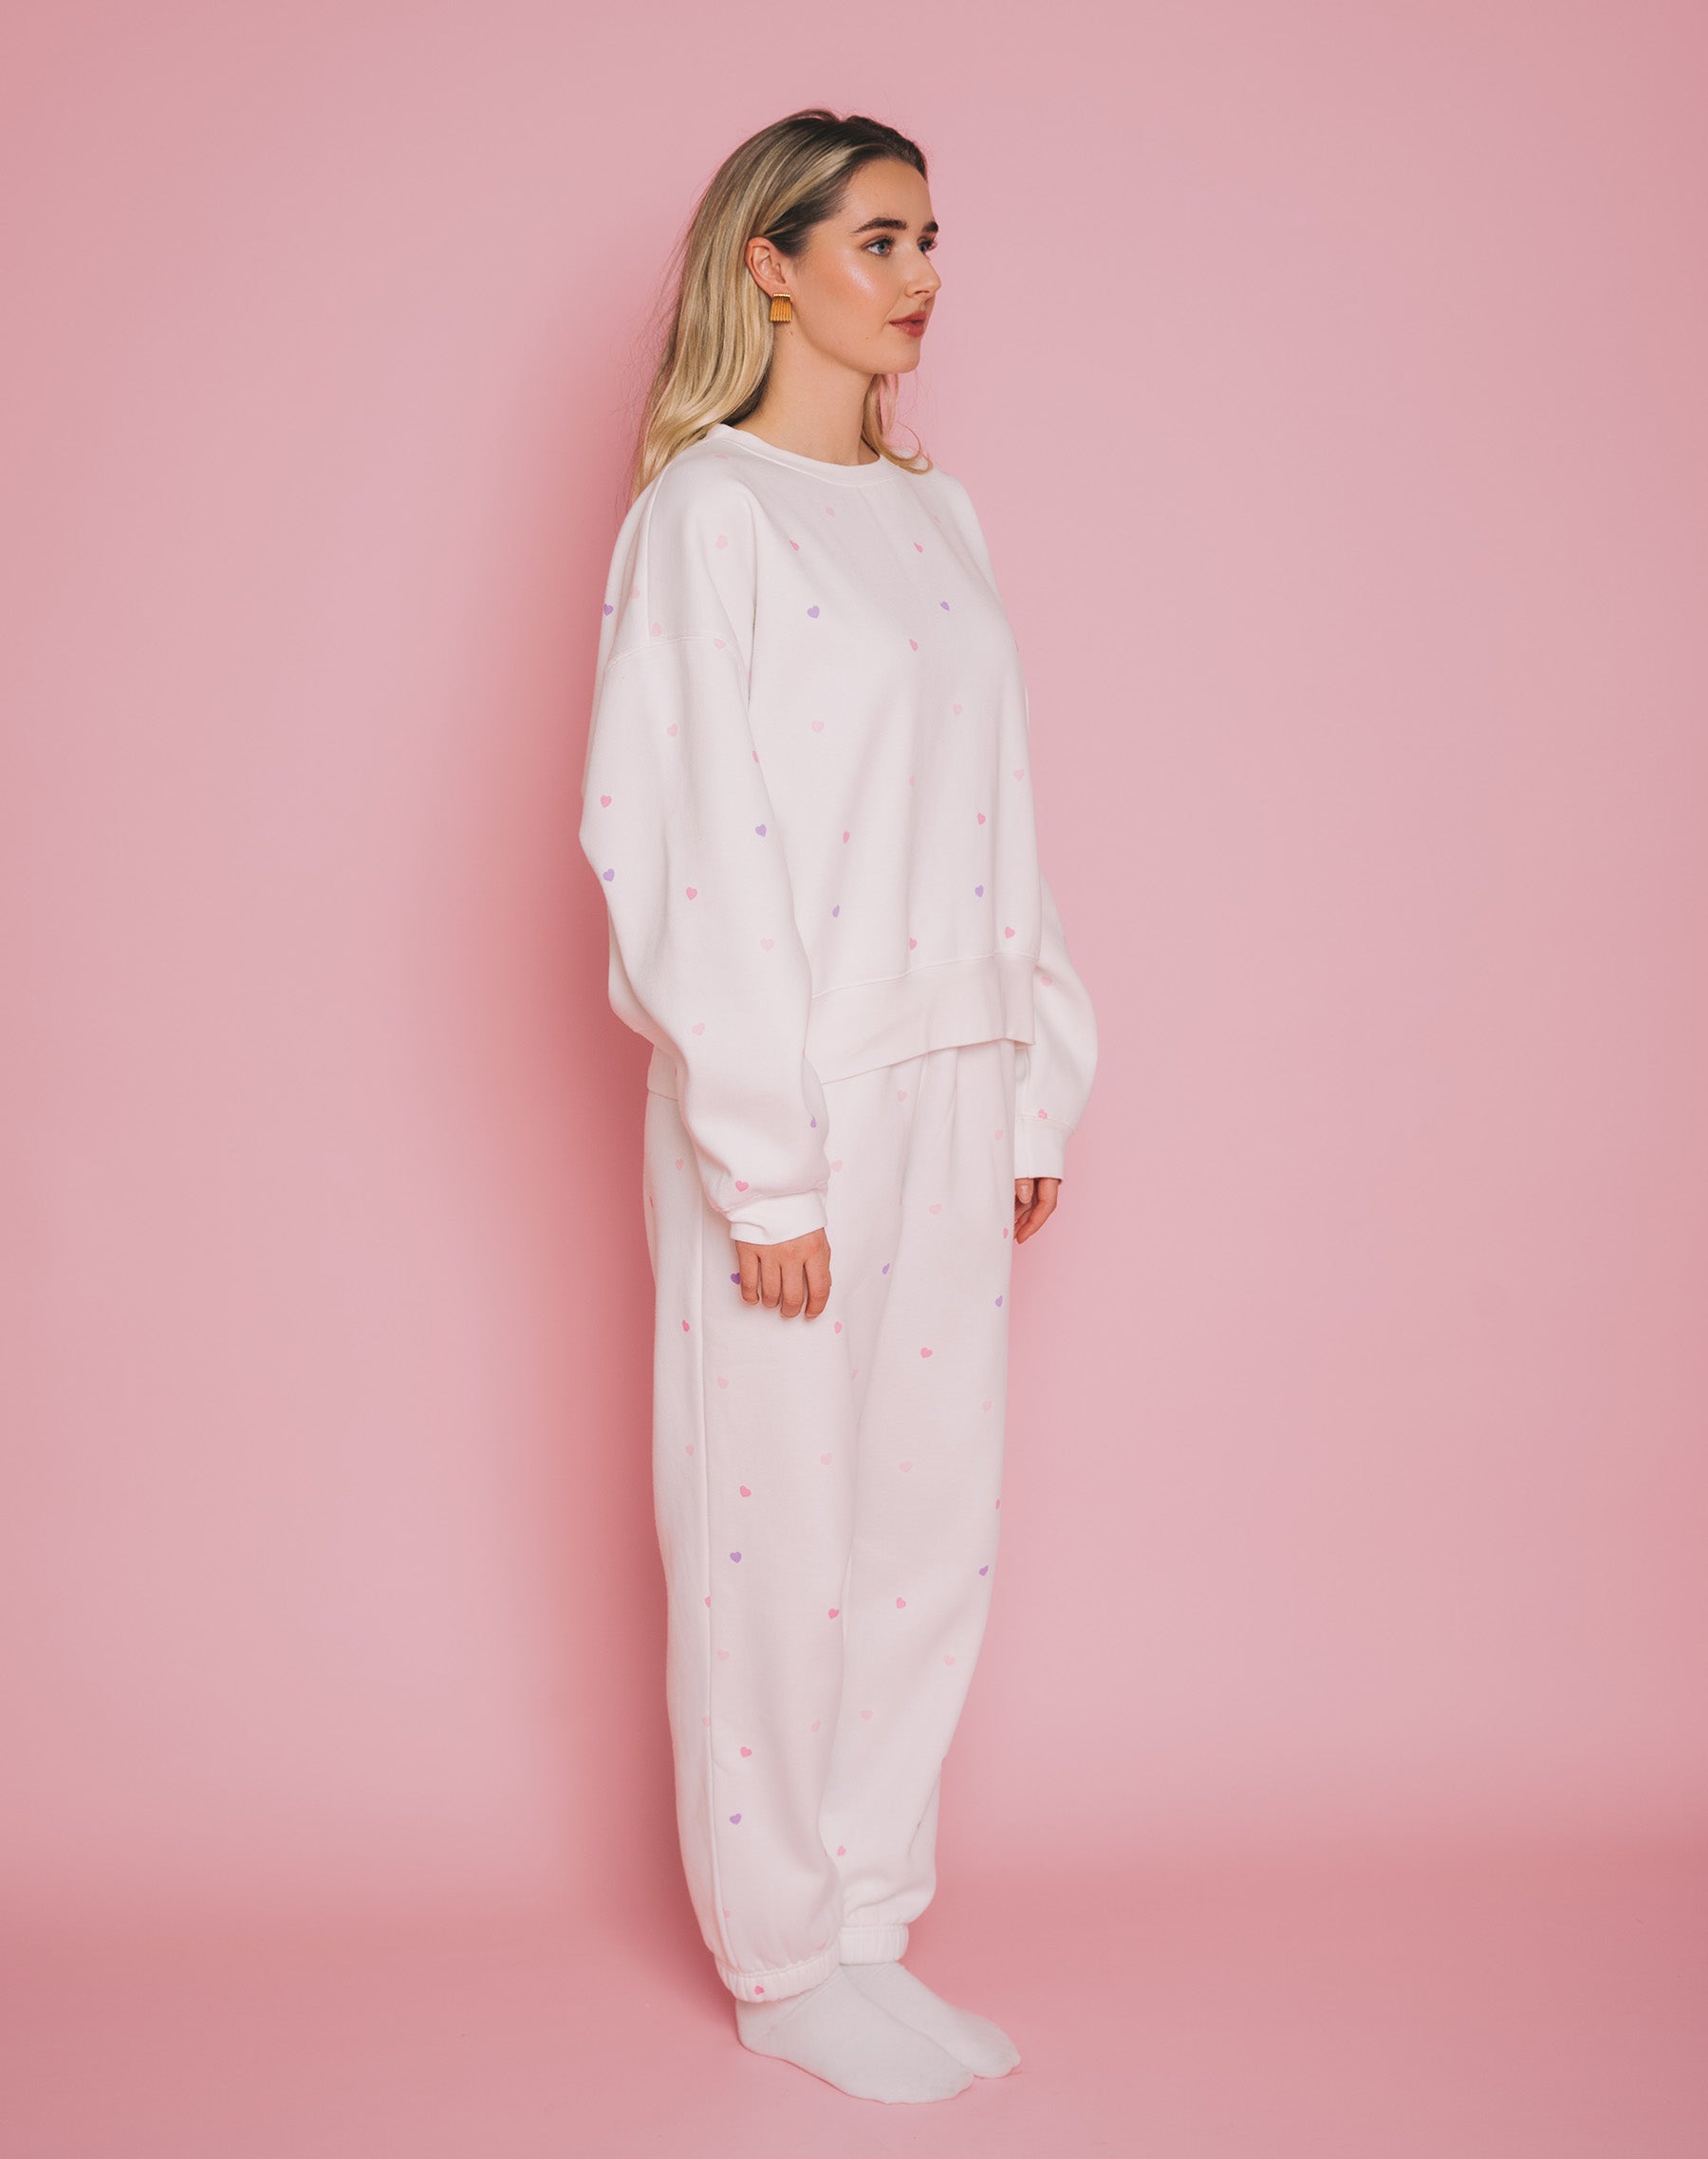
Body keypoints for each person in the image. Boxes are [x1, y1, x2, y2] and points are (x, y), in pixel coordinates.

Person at [576, 107, 1098, 2104]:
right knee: (768, 1526)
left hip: (953, 1080)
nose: (922, 275)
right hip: (795, 1100)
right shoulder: (707, 518)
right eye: (880, 239)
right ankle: (785, 1955)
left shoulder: (937, 513)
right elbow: (680, 842)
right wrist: (765, 1161)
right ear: (770, 267)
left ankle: (869, 1916)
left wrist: (1031, 1078)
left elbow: (1001, 815)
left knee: (924, 1524)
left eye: (931, 237)